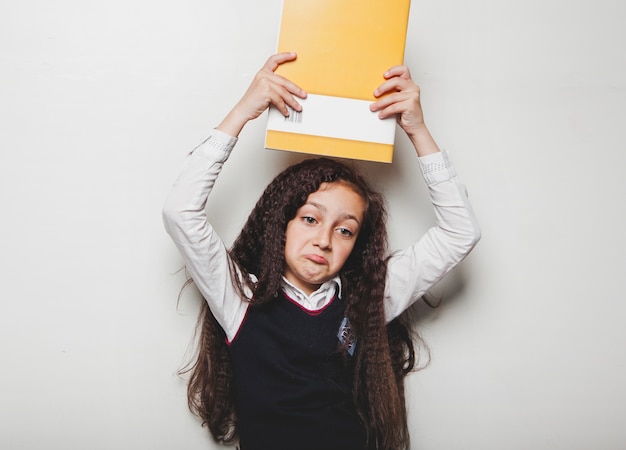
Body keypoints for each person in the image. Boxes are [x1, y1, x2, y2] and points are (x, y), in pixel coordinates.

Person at [162, 52, 480, 450]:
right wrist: (243, 112)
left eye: (345, 230)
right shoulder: (239, 297)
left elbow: (460, 232)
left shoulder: (368, 300)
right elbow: (181, 212)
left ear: (357, 244)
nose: (324, 239)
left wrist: (417, 131)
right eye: (310, 219)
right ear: (282, 222)